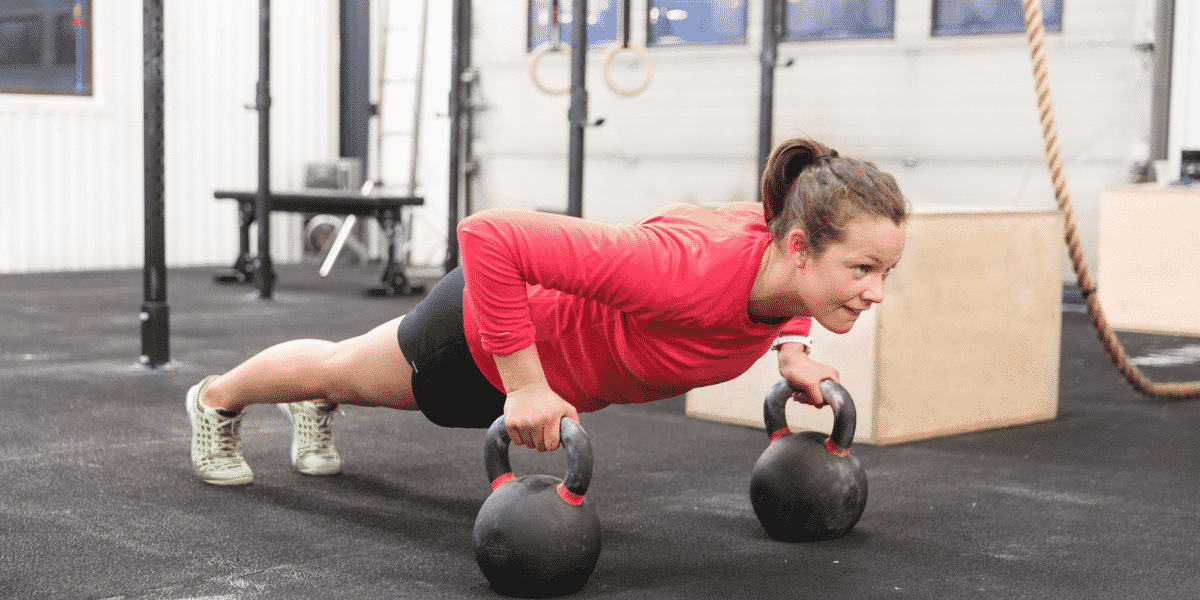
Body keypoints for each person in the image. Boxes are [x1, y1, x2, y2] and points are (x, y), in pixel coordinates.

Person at [186, 137, 909, 486]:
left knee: (342, 371)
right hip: (478, 344)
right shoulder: (677, 271)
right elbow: (489, 236)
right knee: (339, 367)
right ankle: (215, 401)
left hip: (518, 359)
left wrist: (791, 348)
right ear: (800, 246)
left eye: (885, 271)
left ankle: (314, 402)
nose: (875, 290)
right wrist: (526, 383)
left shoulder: (782, 258)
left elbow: (784, 292)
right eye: (863, 269)